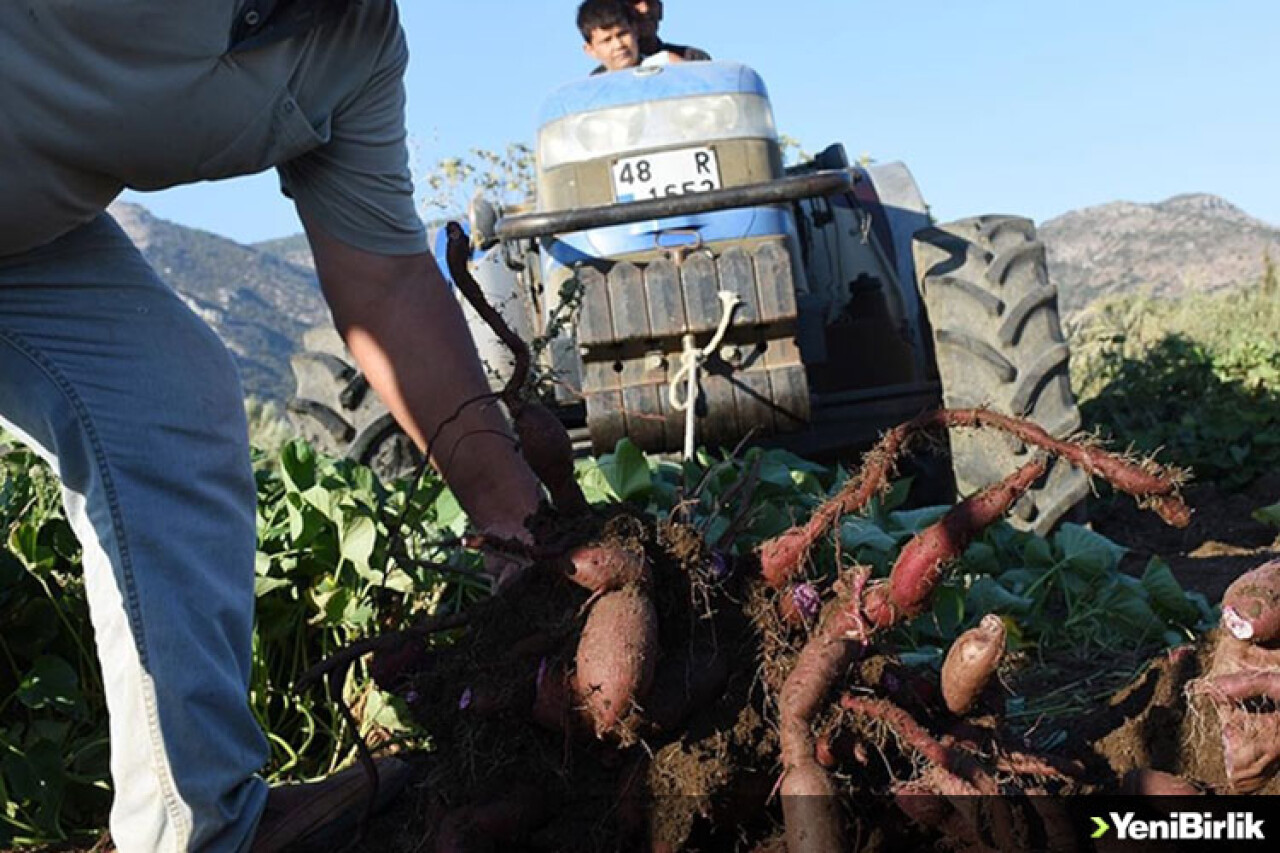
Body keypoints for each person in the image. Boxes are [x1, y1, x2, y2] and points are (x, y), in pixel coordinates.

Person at [0, 1, 543, 851]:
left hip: (24, 235)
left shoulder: (356, 45)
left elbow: (389, 287)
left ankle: (197, 830)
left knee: (168, 398)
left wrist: (518, 522)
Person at [624, 0, 711, 63]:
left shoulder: (693, 60)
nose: (645, 9)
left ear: (660, 11)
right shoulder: (611, 70)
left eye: (651, 2)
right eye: (635, 2)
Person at [577, 0, 642, 73]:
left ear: (635, 31)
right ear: (590, 50)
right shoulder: (594, 83)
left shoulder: (656, 71)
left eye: (622, 34)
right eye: (607, 40)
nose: (618, 45)